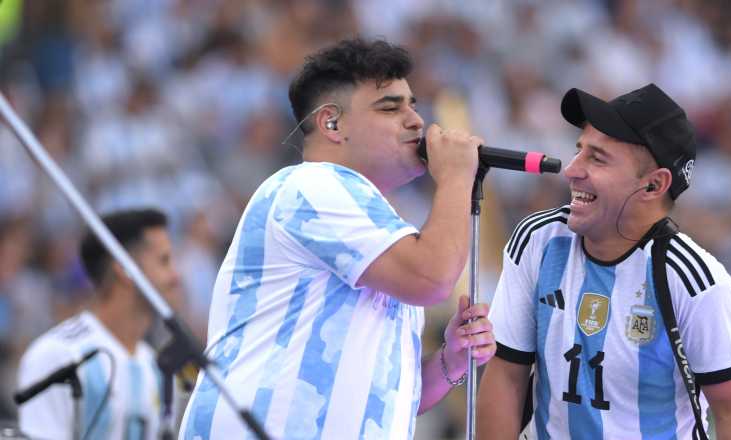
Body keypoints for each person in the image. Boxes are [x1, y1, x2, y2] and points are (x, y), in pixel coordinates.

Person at [179, 38, 497, 439]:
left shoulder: (381, 229)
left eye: (413, 104)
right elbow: (431, 279)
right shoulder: (313, 185)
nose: (417, 121)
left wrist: (452, 361)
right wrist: (455, 177)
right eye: (391, 107)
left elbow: (392, 400)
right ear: (332, 123)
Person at [478, 84, 731, 439]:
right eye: (578, 151)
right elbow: (506, 375)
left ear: (653, 185)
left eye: (597, 158)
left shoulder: (697, 281)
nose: (571, 170)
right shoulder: (538, 239)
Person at [17, 208, 183, 439]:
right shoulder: (57, 356)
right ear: (124, 269)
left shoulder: (158, 371)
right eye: (164, 261)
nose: (176, 276)